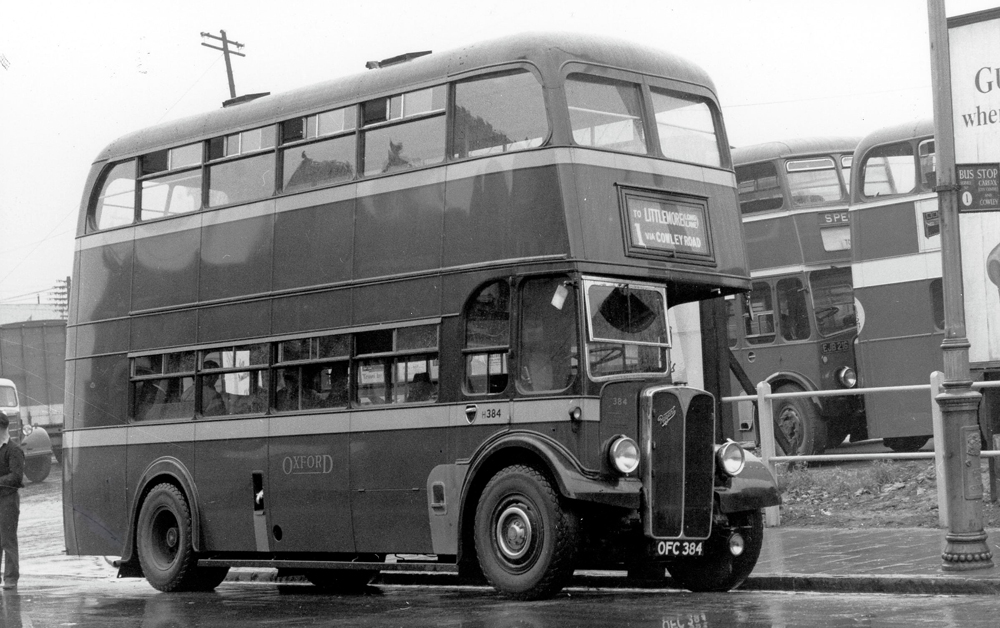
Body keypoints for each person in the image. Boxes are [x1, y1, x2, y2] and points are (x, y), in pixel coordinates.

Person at [0, 413, 23, 590]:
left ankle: (10, 578)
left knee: (8, 540)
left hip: (8, 499)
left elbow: (16, 477)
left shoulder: (14, 450)